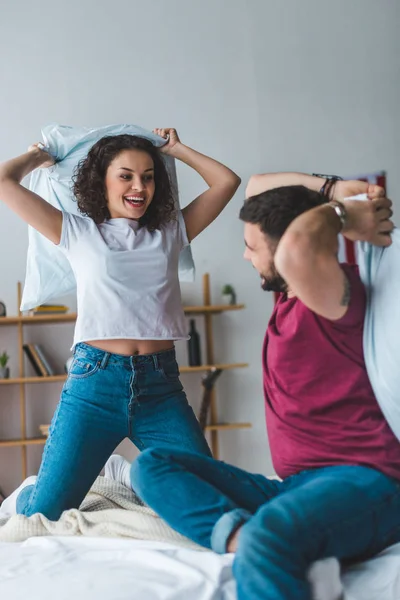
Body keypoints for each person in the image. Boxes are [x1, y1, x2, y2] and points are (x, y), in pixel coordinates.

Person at [128, 173, 400, 600]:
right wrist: (332, 189)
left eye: (253, 247)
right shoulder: (288, 292)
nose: (244, 254)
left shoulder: (329, 295)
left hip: (364, 483)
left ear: (288, 249)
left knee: (273, 533)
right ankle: (245, 539)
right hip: (293, 486)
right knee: (150, 466)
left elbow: (296, 248)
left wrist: (346, 214)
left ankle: (267, 542)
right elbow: (256, 187)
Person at [0, 128, 240, 520]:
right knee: (44, 515)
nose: (139, 185)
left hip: (160, 388)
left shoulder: (169, 232)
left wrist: (176, 150)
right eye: (126, 175)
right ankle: (34, 490)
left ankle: (114, 472)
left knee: (212, 495)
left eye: (148, 176)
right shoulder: (77, 232)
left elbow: (226, 181)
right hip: (95, 386)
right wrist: (39, 156)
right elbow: (3, 181)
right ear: (103, 181)